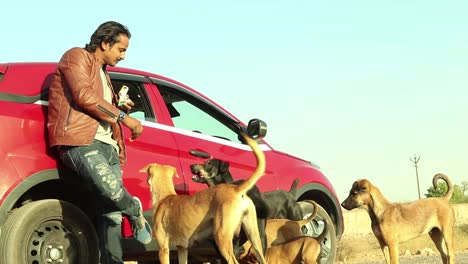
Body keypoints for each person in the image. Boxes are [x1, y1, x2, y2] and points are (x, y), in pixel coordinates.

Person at [47, 21, 152, 264]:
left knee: (111, 214)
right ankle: (135, 210)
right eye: (121, 49)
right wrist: (125, 118)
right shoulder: (76, 57)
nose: (123, 56)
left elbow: (99, 105)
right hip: (81, 141)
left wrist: (118, 108)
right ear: (105, 43)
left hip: (109, 147)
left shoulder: (104, 74)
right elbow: (84, 96)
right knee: (112, 191)